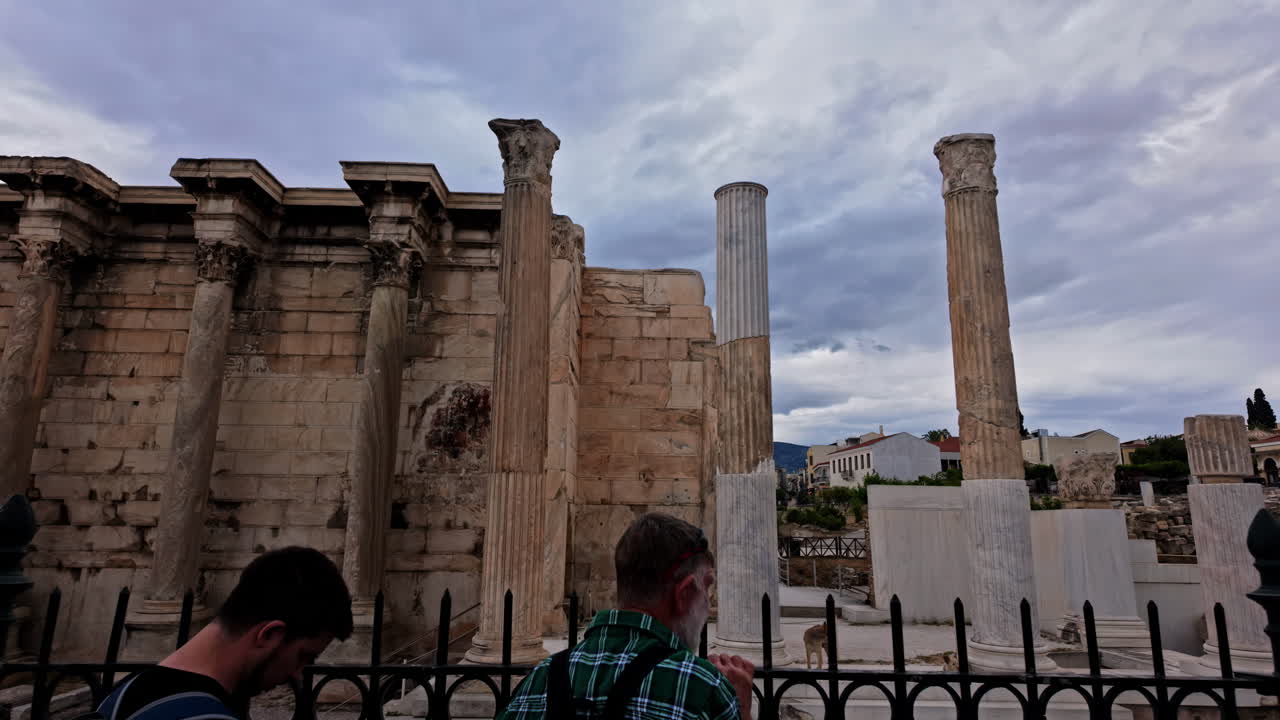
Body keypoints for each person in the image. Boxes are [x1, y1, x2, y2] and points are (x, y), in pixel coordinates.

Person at [499, 512, 756, 720]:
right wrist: (741, 710)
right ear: (685, 592)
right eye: (707, 585)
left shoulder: (538, 680)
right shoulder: (702, 687)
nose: (708, 600)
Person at [96, 546, 353, 720]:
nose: (298, 674)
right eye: (303, 657)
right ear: (269, 635)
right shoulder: (203, 715)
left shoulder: (120, 697)